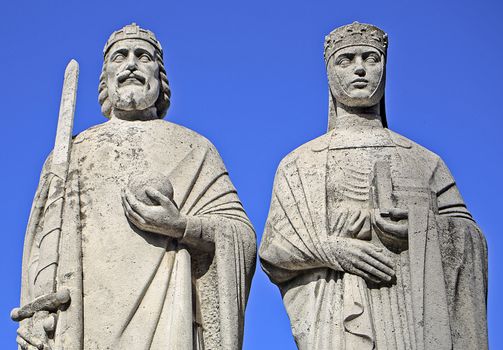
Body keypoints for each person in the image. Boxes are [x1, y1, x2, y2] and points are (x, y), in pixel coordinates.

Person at [16, 23, 256, 350]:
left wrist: (183, 226)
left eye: (143, 56)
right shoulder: (71, 153)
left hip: (171, 323)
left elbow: (240, 236)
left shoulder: (194, 148)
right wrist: (35, 315)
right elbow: (40, 252)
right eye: (120, 57)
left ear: (160, 76)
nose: (131, 64)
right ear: (104, 78)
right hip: (84, 322)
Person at [259, 22, 487, 350]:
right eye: (346, 60)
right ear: (329, 73)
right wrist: (332, 251)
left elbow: (468, 238)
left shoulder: (424, 161)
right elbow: (274, 250)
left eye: (371, 58)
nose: (361, 69)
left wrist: (419, 228)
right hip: (338, 316)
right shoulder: (300, 163)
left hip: (417, 315)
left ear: (384, 67)